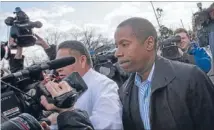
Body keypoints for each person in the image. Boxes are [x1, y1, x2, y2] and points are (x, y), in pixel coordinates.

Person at [115, 17, 214, 130]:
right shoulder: (124, 91)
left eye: (124, 44)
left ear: (149, 43)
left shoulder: (191, 78)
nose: (117, 53)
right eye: (116, 46)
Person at [40, 40, 123, 129]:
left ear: (82, 60)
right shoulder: (65, 88)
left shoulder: (104, 86)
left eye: (63, 62)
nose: (58, 69)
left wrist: (67, 112)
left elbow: (108, 126)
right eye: (57, 64)